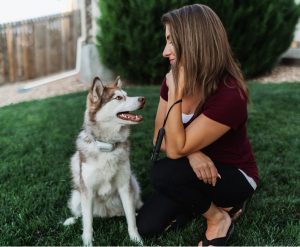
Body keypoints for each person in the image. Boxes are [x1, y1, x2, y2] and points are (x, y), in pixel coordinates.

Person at [136, 3, 259, 246]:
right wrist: (192, 154)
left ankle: (218, 218)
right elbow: (157, 140)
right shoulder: (171, 80)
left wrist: (176, 93)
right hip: (190, 170)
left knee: (164, 172)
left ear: (193, 41)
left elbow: (172, 150)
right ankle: (204, 204)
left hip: (231, 175)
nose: (164, 51)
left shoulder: (230, 95)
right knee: (147, 226)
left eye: (171, 41)